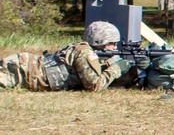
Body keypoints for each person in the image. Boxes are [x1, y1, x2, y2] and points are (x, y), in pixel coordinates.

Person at [0, 21, 133, 91]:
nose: (115, 48)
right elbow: (94, 86)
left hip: (25, 69)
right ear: (100, 41)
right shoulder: (85, 53)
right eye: (112, 44)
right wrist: (116, 68)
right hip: (21, 71)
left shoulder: (86, 51)